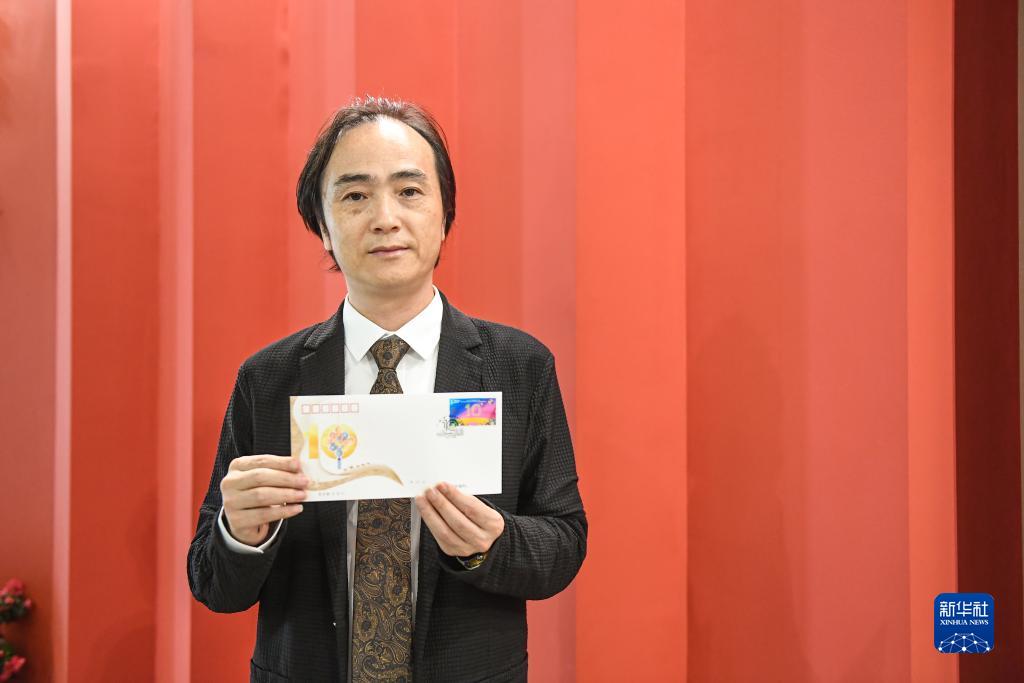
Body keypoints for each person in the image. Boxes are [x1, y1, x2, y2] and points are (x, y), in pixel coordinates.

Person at [187, 97, 587, 682]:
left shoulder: (519, 367)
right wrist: (239, 534)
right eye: (355, 196)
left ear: (445, 215)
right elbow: (213, 583)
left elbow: (565, 542)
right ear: (323, 227)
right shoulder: (268, 378)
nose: (384, 217)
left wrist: (492, 543)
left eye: (409, 191)